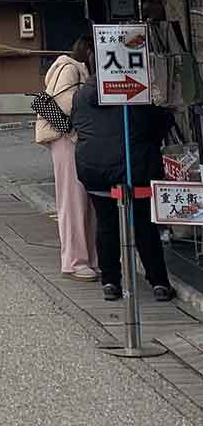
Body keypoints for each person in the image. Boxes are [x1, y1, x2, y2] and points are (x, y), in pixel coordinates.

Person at [72, 74, 176, 302]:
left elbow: (78, 125)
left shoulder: (81, 95)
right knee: (143, 227)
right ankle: (159, 282)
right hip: (133, 169)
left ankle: (110, 282)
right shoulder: (134, 93)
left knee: (106, 225)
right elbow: (158, 126)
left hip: (93, 168)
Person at [35, 36, 97, 282]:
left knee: (82, 200)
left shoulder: (69, 67)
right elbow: (62, 105)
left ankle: (87, 258)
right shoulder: (70, 69)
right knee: (73, 200)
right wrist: (76, 133)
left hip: (73, 141)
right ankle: (75, 261)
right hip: (68, 140)